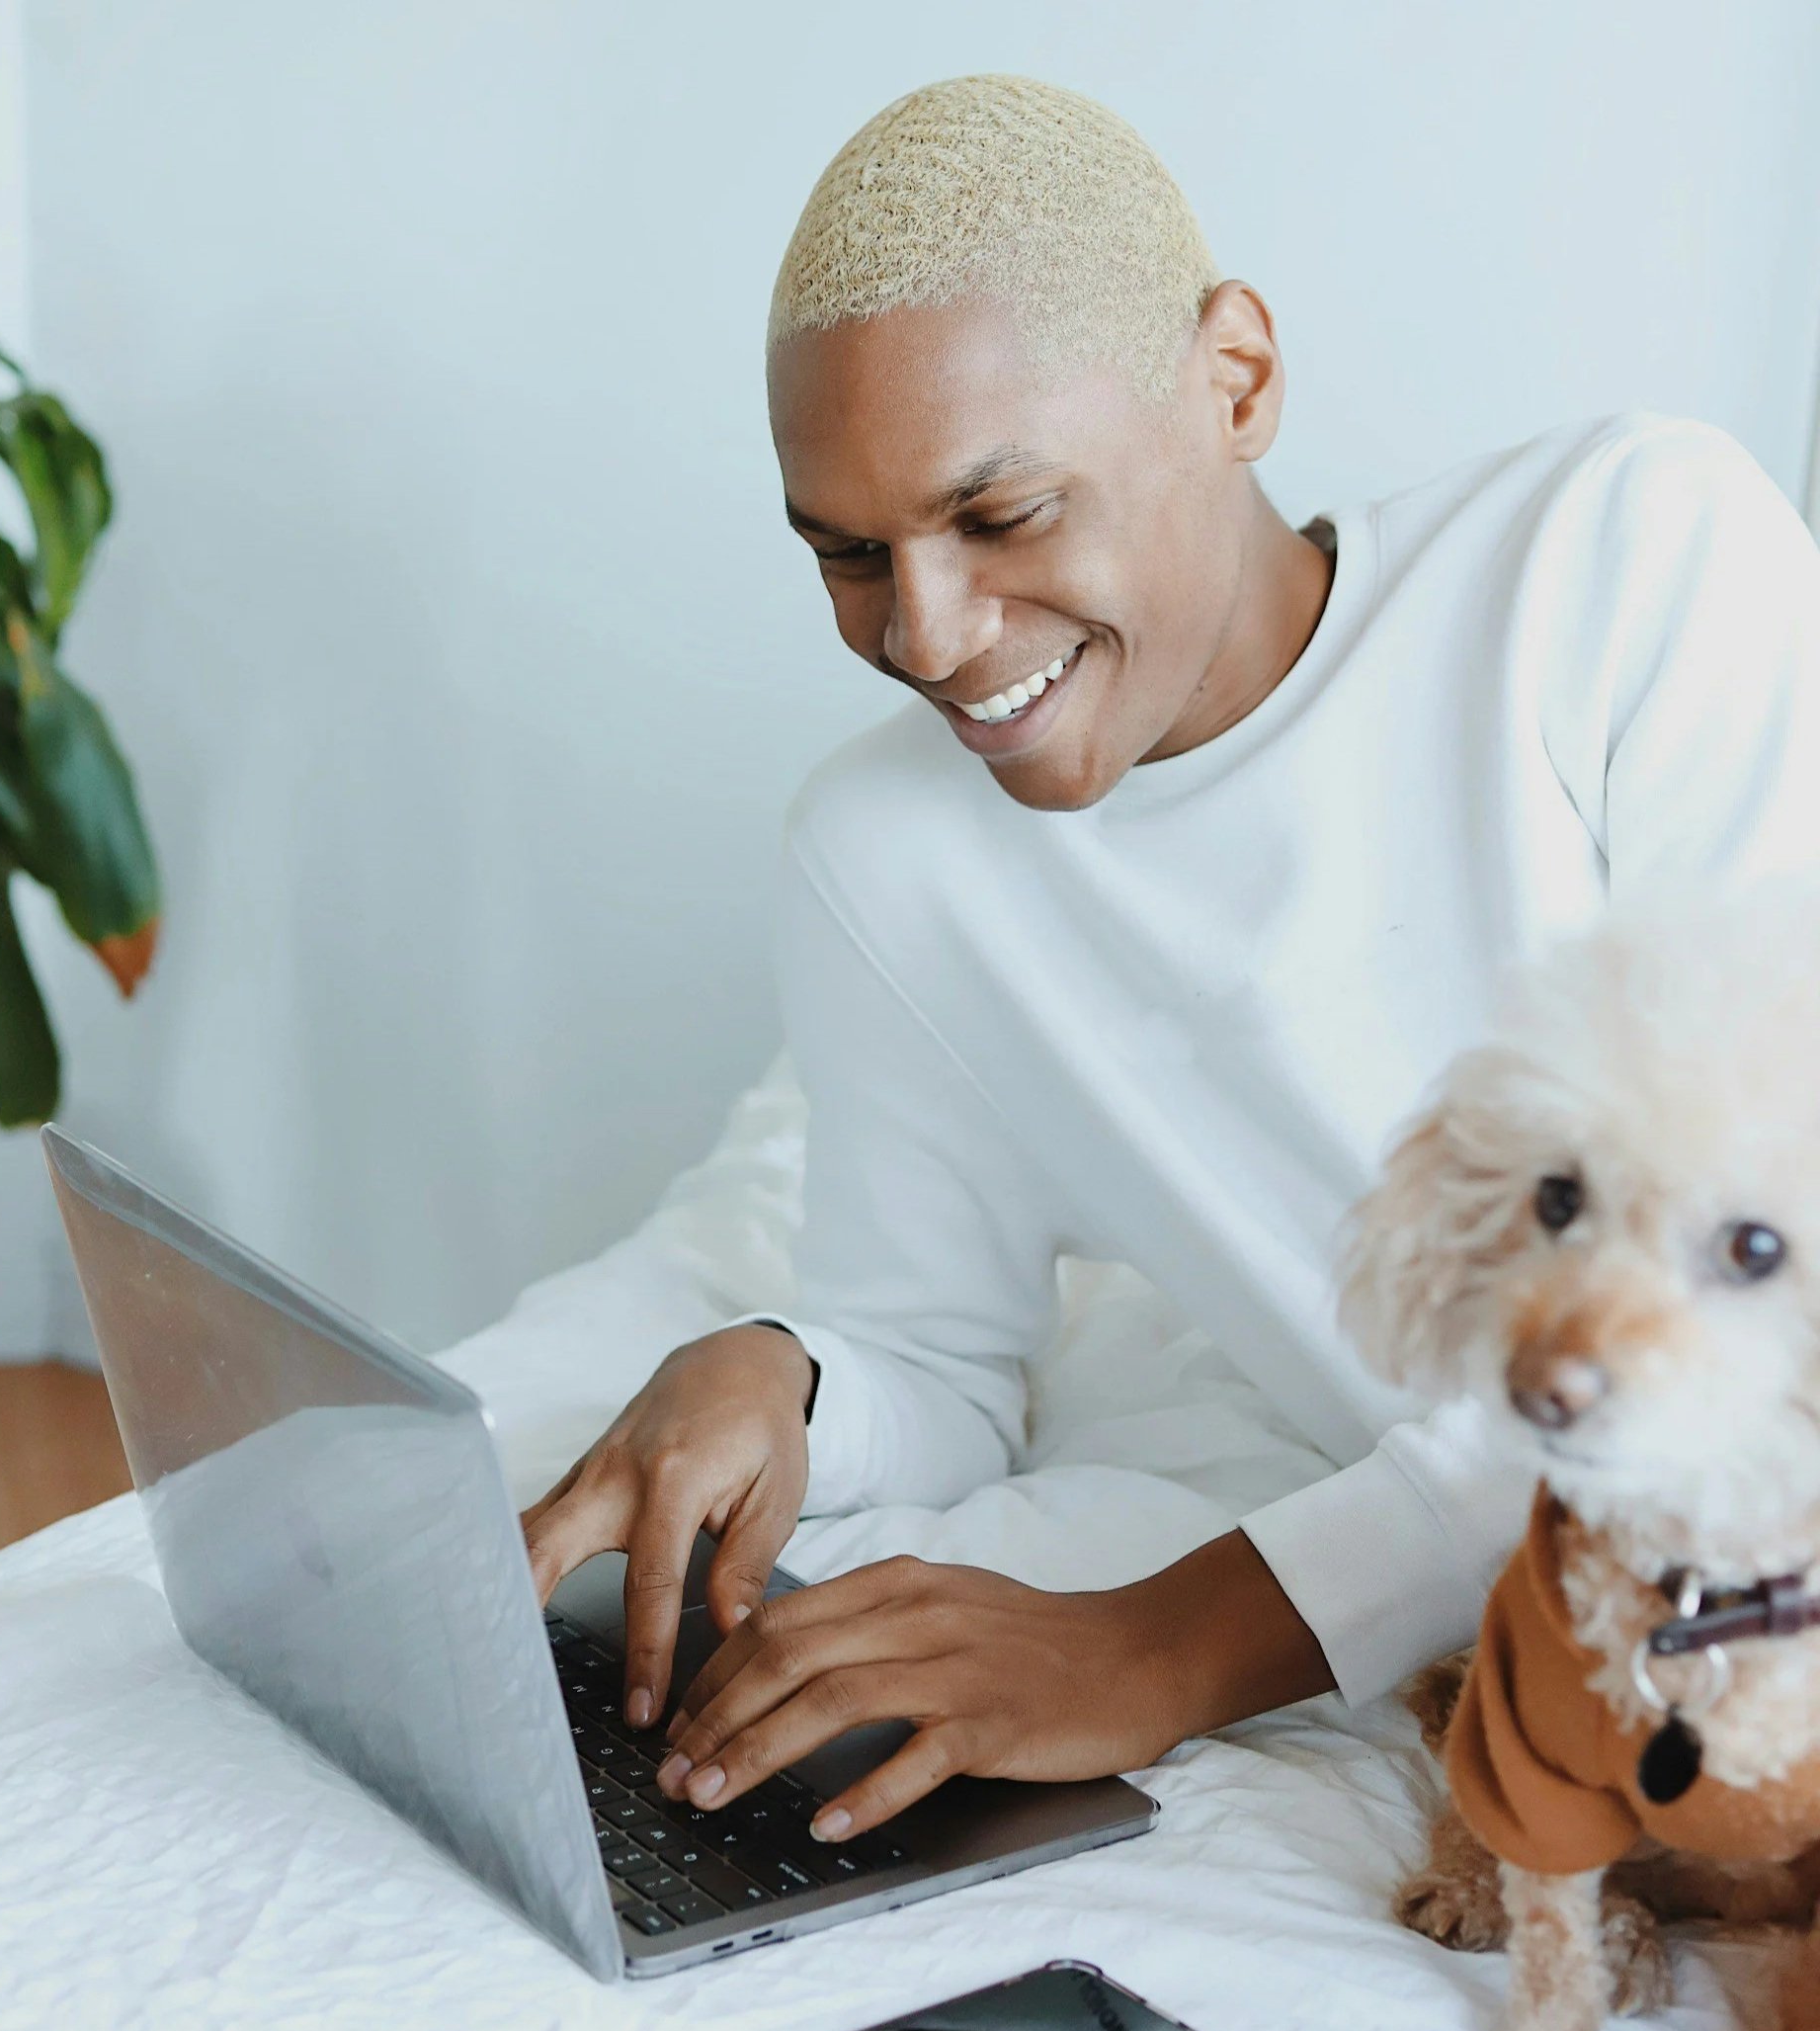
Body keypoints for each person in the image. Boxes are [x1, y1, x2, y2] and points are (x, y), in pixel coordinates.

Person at [519, 73, 1820, 1849]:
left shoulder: (1627, 560)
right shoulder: (882, 852)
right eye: (846, 554)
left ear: (1235, 379)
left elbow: (1763, 1339)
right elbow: (943, 1353)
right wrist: (783, 1373)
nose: (928, 636)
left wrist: (1156, 1647)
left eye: (1002, 516)